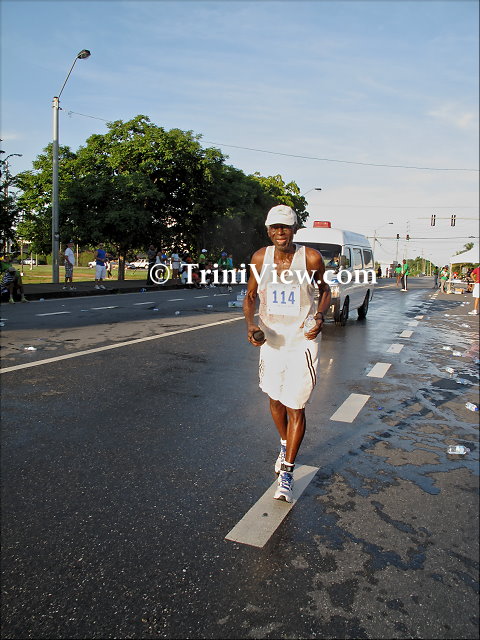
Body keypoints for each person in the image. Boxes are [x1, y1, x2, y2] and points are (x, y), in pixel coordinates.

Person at [243, 204, 331, 503]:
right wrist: (251, 325)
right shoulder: (260, 258)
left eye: (285, 227)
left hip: (302, 339)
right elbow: (250, 295)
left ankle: (288, 473)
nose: (280, 232)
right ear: (268, 231)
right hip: (272, 338)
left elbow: (325, 290)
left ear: (294, 230)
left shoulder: (311, 258)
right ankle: (284, 443)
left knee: (296, 405)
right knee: (275, 398)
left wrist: (319, 316)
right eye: (275, 227)